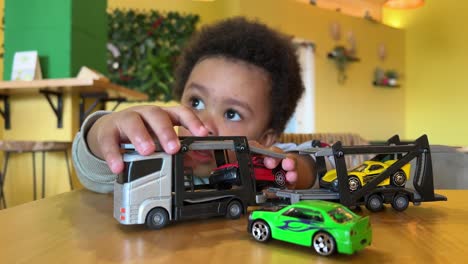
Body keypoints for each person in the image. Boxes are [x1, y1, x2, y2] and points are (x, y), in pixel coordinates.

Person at [72, 16, 316, 194]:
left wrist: (294, 171)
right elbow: (93, 173)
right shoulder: (159, 159)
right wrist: (102, 132)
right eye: (196, 102)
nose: (204, 125)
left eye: (231, 113)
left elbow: (312, 164)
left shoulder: (265, 166)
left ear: (266, 137)